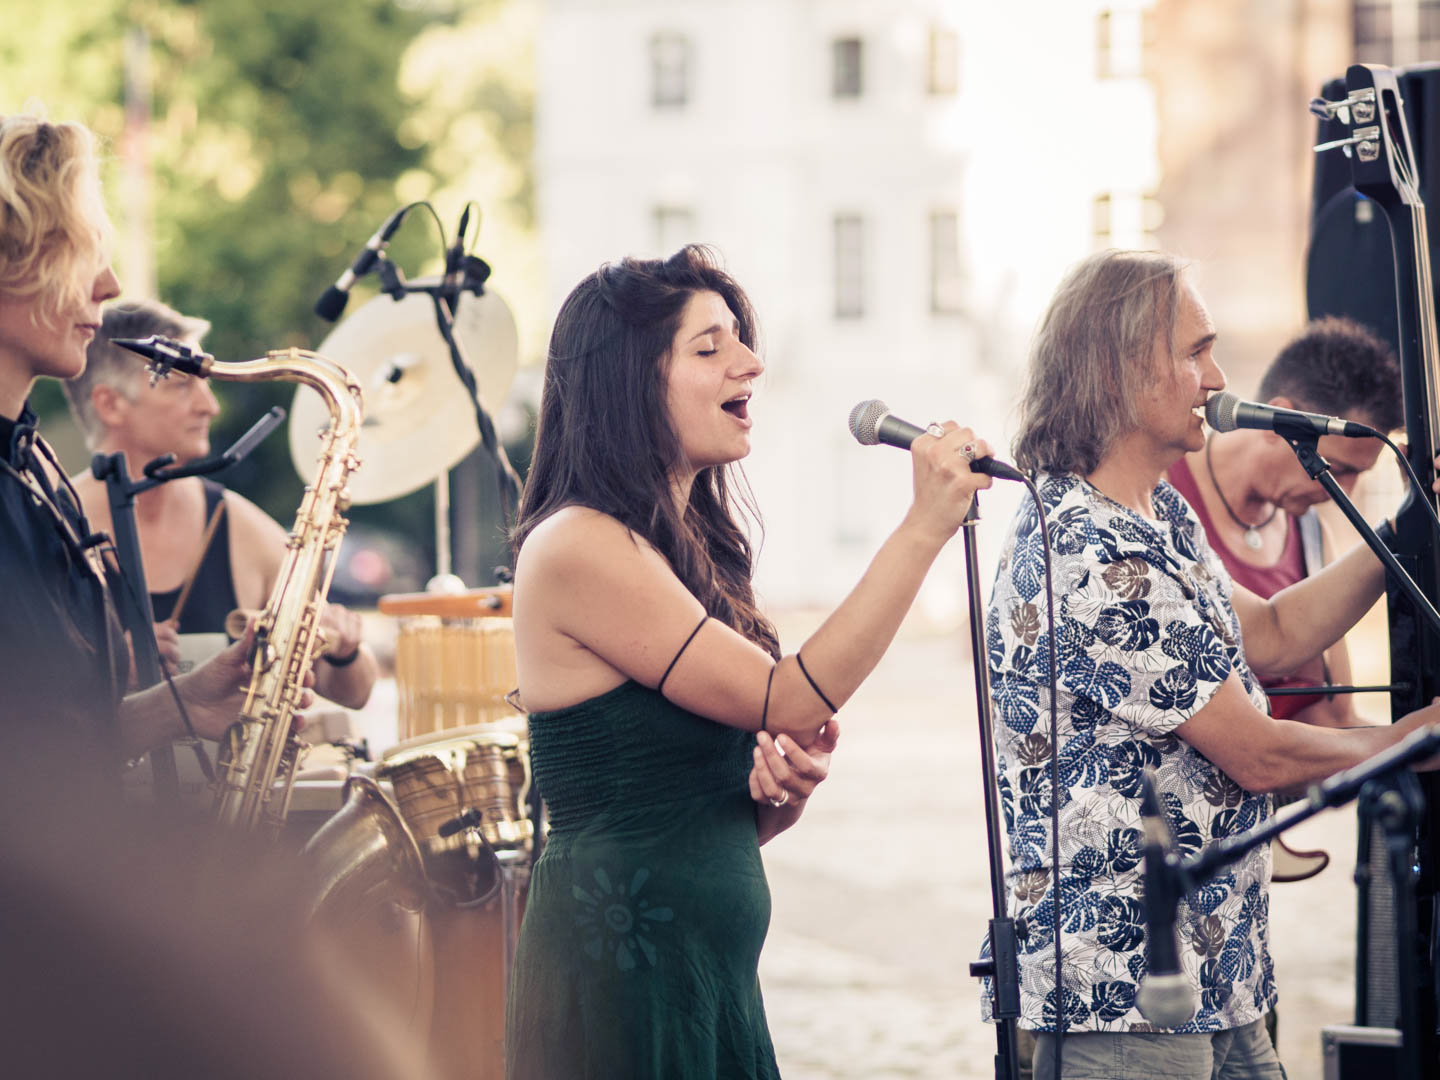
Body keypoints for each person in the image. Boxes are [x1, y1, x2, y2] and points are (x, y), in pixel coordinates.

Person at [504, 244, 992, 1078]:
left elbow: (697, 818)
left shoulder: (684, 550)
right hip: (622, 985)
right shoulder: (579, 543)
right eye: (710, 348)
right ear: (630, 381)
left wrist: (779, 794)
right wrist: (923, 527)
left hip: (703, 979)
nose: (752, 364)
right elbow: (786, 696)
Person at [985, 249, 1440, 1080]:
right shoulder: (1085, 550)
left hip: (1217, 972)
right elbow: (1255, 751)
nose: (1218, 375)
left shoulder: (1155, 512)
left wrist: (1408, 530)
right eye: (1196, 351)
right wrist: (1411, 739)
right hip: (1122, 995)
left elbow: (1268, 633)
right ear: (1122, 370)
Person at [0, 111, 265, 765]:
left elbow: (52, 740)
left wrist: (178, 706)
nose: (109, 285)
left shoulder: (31, 468)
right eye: (83, 251)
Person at [61, 298, 378, 709]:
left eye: (204, 384)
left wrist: (345, 651)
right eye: (181, 384)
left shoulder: (241, 526)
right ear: (110, 404)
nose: (209, 406)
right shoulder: (51, 524)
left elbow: (354, 692)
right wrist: (106, 675)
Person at [1167, 316, 1403, 728]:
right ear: (1280, 421)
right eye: (1338, 468)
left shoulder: (1311, 535)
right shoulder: (1163, 499)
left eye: (1357, 476)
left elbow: (1338, 715)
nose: (1341, 491)